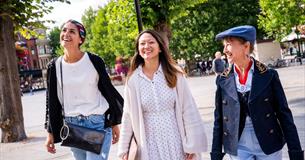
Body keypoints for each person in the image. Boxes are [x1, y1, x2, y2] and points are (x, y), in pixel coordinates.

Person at [210, 25, 304, 160]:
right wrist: (216, 155)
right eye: (224, 45)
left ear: (246, 46)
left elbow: (284, 115)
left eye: (229, 44)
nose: (224, 50)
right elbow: (219, 120)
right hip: (238, 147)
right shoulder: (222, 80)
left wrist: (296, 153)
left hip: (269, 144)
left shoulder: (269, 75)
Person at [117, 29, 207, 160]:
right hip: (148, 144)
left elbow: (188, 109)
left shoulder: (175, 74)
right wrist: (123, 150)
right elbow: (128, 116)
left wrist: (192, 145)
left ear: (160, 47)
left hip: (176, 140)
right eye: (142, 44)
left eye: (151, 42)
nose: (146, 46)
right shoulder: (133, 80)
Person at [44, 19, 124, 160]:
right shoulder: (54, 66)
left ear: (81, 39)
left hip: (96, 122)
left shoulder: (94, 61)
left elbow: (108, 92)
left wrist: (114, 123)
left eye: (72, 31)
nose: (66, 34)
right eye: (64, 30)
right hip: (72, 126)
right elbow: (51, 101)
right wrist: (50, 132)